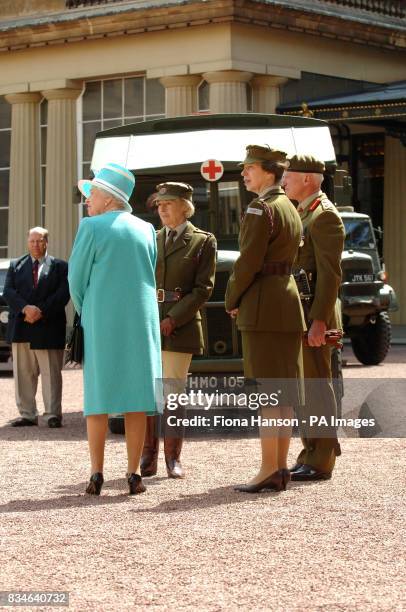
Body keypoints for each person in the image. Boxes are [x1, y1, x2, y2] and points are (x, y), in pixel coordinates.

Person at [68, 163, 162, 496]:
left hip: (103, 319)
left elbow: (75, 281)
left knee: (99, 397)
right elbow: (149, 274)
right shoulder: (147, 229)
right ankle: (133, 474)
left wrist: (89, 310)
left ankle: (96, 473)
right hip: (142, 321)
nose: (88, 200)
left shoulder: (91, 227)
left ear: (108, 199)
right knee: (137, 397)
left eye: (92, 194)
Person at [225, 145, 305, 493]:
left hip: (262, 304)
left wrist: (232, 297)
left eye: (250, 168)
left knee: (267, 394)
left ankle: (268, 468)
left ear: (268, 172)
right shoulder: (289, 206)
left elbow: (247, 262)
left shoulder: (261, 208)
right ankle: (280, 467)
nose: (244, 173)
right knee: (283, 393)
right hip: (286, 301)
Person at [141, 182, 216, 479]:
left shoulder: (202, 241)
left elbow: (202, 290)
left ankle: (173, 458)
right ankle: (148, 457)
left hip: (180, 327)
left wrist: (172, 318)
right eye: (159, 204)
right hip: (148, 323)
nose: (161, 209)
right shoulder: (151, 239)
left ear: (184, 206)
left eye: (168, 203)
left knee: (172, 393)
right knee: (149, 393)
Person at [283, 154, 345, 481]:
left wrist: (320, 320)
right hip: (302, 313)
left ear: (308, 178)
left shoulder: (324, 216)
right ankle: (309, 451)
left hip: (314, 314)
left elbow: (330, 274)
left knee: (318, 385)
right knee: (305, 387)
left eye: (289, 175)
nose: (284, 181)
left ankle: (322, 460)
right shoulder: (303, 212)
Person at [4, 227, 69, 428]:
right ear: (27, 242)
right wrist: (25, 308)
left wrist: (40, 310)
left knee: (51, 374)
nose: (36, 245)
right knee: (24, 374)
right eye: (32, 241)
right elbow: (8, 291)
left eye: (40, 241)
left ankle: (52, 414)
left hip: (48, 325)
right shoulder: (16, 265)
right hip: (22, 326)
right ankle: (27, 414)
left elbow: (63, 293)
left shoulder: (60, 266)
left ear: (47, 242)